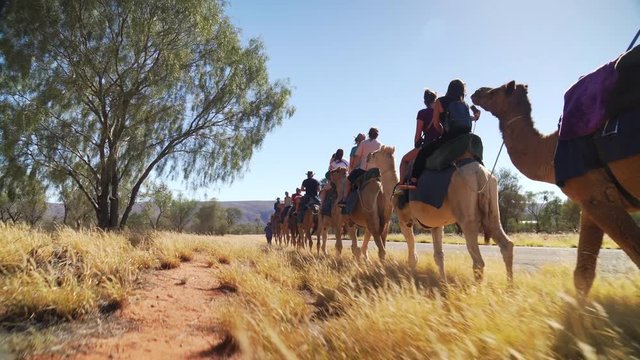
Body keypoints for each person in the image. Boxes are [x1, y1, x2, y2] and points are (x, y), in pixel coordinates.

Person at [408, 79, 480, 185]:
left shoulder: (440, 101)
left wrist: (442, 132)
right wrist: (475, 118)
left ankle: (413, 181)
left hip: (449, 138)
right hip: (466, 137)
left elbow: (437, 124)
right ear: (462, 91)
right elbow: (466, 119)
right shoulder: (464, 104)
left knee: (423, 153)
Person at [399, 89, 439, 183]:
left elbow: (418, 133)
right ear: (435, 99)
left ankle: (401, 187)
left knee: (404, 160)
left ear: (425, 101)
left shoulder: (422, 113)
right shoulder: (440, 111)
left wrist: (416, 144)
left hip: (428, 144)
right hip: (442, 143)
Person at [341, 127, 382, 205]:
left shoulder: (363, 143)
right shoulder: (380, 145)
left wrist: (353, 168)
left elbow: (357, 157)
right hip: (376, 171)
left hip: (363, 170)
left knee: (348, 181)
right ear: (377, 135)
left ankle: (344, 199)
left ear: (369, 134)